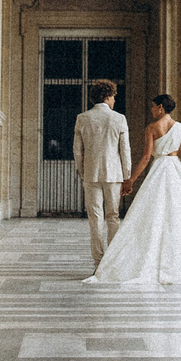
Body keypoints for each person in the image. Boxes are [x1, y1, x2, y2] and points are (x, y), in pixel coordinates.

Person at [83, 93, 181, 290]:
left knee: (153, 214)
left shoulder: (152, 128)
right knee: (178, 217)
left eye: (153, 106)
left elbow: (146, 157)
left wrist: (131, 180)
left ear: (160, 107)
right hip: (176, 171)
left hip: (159, 170)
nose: (151, 110)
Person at [73, 78, 131, 262]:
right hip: (114, 174)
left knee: (95, 217)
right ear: (107, 96)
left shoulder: (82, 118)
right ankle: (111, 260)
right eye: (113, 96)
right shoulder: (119, 118)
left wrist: (82, 171)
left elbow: (77, 151)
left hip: (91, 173)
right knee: (113, 216)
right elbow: (125, 150)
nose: (114, 100)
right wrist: (127, 176)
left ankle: (98, 260)